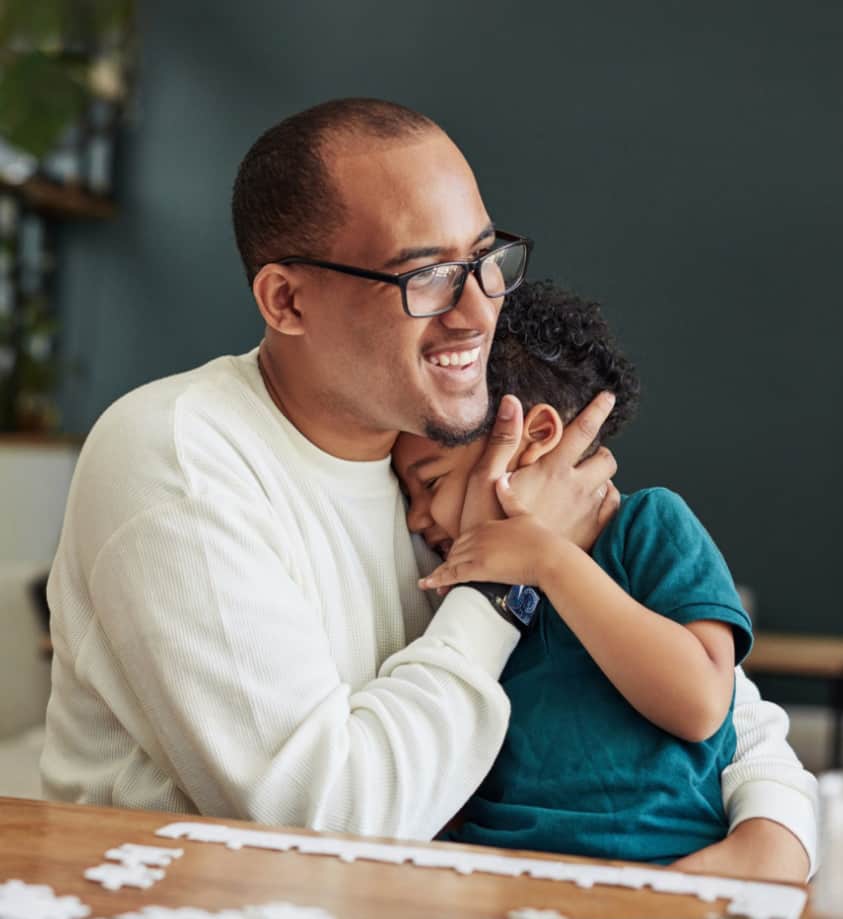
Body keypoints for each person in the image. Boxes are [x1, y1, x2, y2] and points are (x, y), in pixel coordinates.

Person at [42, 98, 816, 881]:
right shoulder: (179, 453)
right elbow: (323, 822)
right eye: (428, 275)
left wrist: (776, 824)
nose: (480, 309)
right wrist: (503, 582)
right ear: (287, 300)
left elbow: (712, 700)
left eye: (484, 260)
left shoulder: (443, 460)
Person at [395, 279, 760, 865]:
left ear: (535, 437)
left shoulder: (648, 525)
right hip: (495, 866)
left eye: (431, 481)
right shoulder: (460, 586)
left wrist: (548, 561)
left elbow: (699, 704)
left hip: (660, 861)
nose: (415, 517)